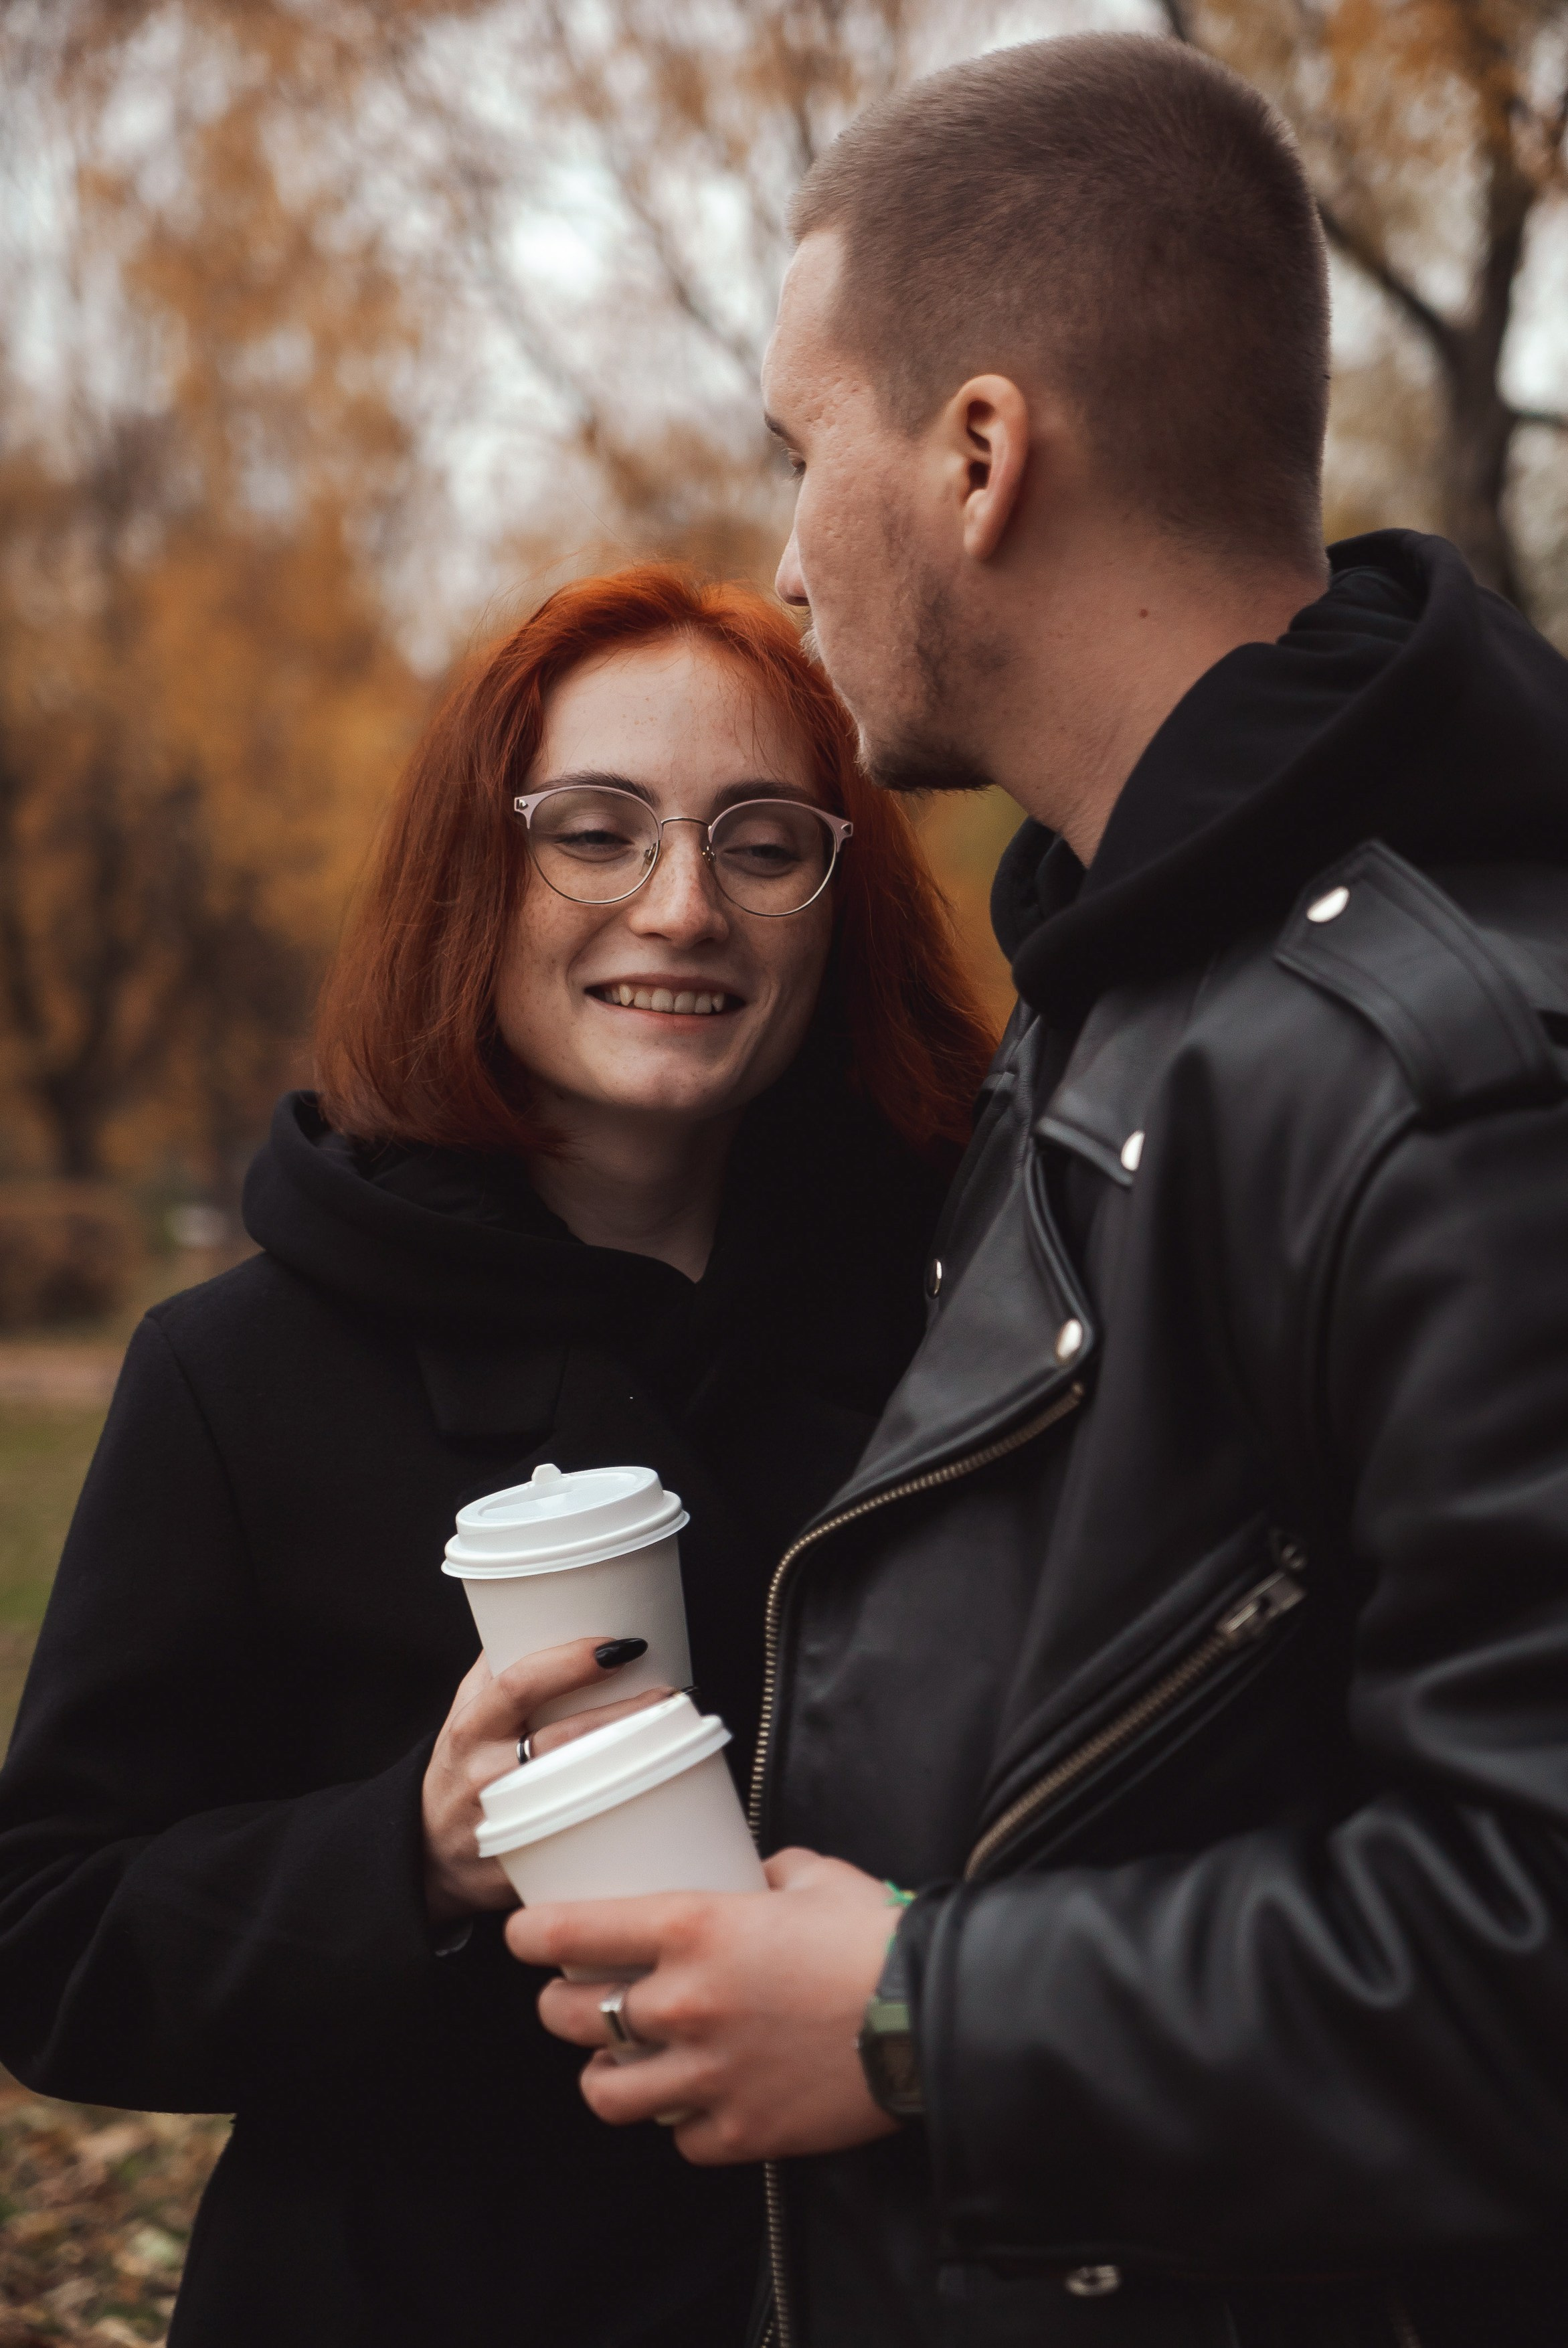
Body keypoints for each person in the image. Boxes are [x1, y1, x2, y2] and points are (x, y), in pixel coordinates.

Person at [507, 38, 1568, 2348]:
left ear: (982, 454)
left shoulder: (1443, 1073)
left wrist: (918, 2017)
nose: (785, 558)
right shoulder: (1123, 979)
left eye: (809, 452)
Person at [0, 564, 996, 2348]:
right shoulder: (243, 1374)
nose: (682, 905)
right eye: (594, 830)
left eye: (765, 841)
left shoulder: (972, 1326)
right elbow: (51, 1944)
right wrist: (421, 1846)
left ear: (838, 909)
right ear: (480, 875)